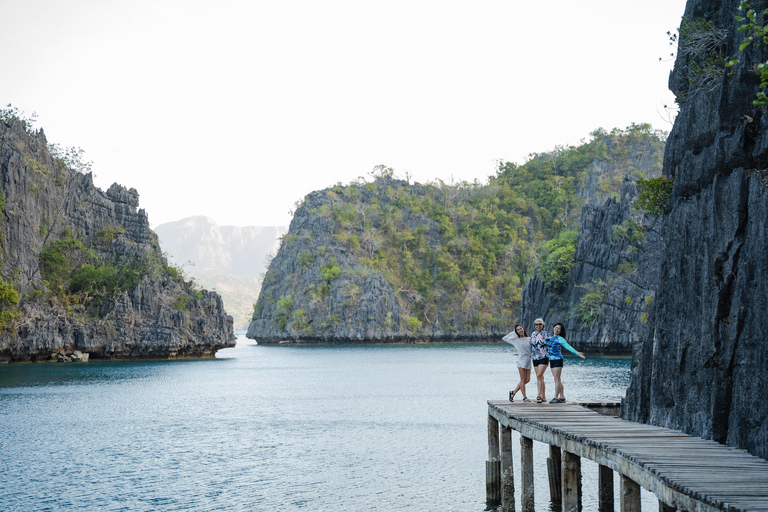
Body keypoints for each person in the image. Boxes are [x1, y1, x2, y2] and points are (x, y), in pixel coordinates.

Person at [547, 323, 586, 403]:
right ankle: (562, 397)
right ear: (553, 328)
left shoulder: (560, 338)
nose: (556, 329)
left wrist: (576, 353)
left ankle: (555, 397)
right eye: (556, 327)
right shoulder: (550, 338)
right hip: (551, 360)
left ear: (560, 331)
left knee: (556, 379)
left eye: (559, 329)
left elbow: (568, 347)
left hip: (558, 360)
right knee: (557, 379)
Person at [502, 324, 532, 402]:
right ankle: (525, 397)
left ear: (523, 329)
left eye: (521, 329)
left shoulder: (529, 338)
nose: (520, 330)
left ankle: (513, 392)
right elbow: (504, 338)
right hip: (521, 360)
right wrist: (514, 333)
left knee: (527, 379)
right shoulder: (516, 340)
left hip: (528, 359)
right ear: (516, 332)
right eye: (518, 330)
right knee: (522, 379)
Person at [529, 318, 550, 403]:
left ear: (543, 325)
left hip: (544, 356)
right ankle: (544, 397)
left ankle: (538, 395)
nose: (538, 326)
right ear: (534, 326)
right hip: (535, 358)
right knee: (540, 377)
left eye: (540, 324)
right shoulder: (533, 334)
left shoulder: (546, 334)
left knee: (539, 375)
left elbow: (550, 344)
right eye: (536, 324)